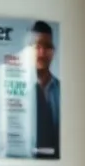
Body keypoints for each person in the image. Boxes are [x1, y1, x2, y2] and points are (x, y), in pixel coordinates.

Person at [30, 21, 60, 158]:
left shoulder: (64, 92)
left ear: (53, 51)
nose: (42, 52)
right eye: (37, 46)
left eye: (47, 47)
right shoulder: (17, 92)